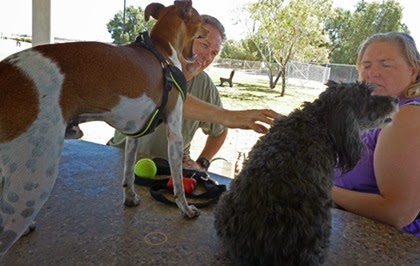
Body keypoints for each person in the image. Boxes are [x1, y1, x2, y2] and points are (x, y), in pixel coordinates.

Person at [108, 15, 277, 170]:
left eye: (214, 53)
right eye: (204, 45)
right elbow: (164, 95)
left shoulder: (204, 85)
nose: (207, 56)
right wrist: (226, 116)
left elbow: (219, 132)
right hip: (120, 158)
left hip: (170, 172)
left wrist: (203, 162)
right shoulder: (152, 64)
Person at [332, 32, 420, 237]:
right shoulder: (381, 112)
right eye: (366, 65)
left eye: (385, 64)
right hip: (349, 229)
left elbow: (398, 213)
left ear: (414, 72)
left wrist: (320, 186)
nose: (373, 73)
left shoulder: (407, 115)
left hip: (384, 245)